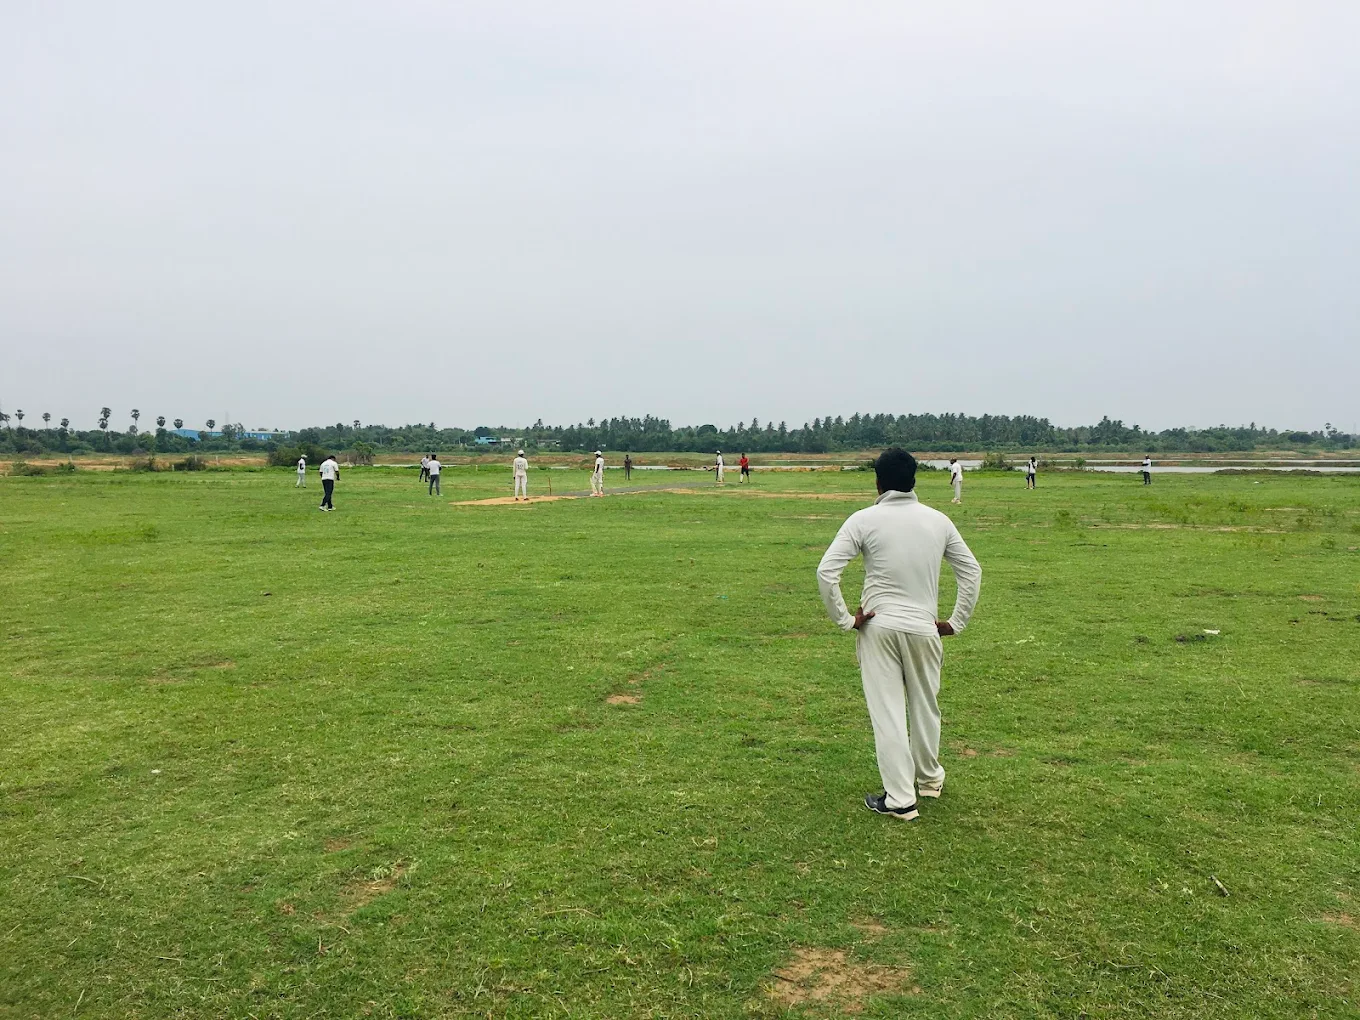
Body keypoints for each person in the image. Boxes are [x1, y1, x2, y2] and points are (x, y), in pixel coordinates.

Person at [817, 448, 982, 820]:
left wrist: (847, 619)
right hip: (924, 626)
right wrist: (955, 621)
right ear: (914, 480)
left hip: (879, 625)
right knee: (926, 704)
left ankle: (900, 799)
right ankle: (929, 779)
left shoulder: (863, 519)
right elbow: (971, 571)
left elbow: (827, 572)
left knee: (888, 712)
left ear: (877, 482)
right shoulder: (938, 521)